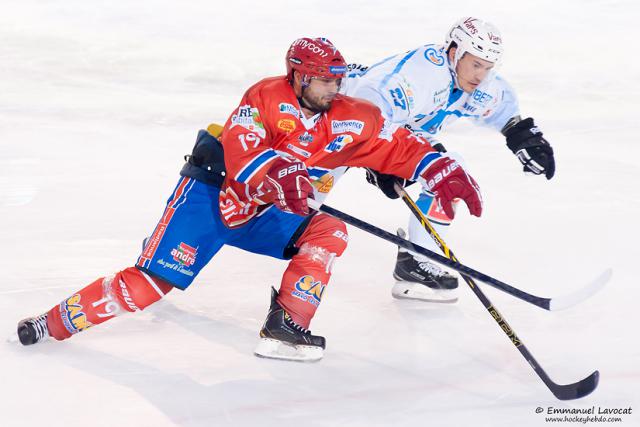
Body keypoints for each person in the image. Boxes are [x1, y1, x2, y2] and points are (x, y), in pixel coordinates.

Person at [16, 37, 482, 362]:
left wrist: (439, 168)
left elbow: (394, 146)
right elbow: (243, 149)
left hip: (266, 213)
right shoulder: (264, 96)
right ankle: (51, 322)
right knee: (149, 285)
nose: (333, 89)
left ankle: (286, 328)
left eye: (337, 80)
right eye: (323, 81)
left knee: (328, 232)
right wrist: (279, 172)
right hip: (210, 199)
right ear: (298, 77)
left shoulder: (349, 115)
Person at [341, 17, 556, 303]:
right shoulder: (422, 75)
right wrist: (379, 159)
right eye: (476, 65)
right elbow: (367, 108)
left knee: (450, 172)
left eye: (488, 67)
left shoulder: (476, 82)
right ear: (454, 53)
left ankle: (416, 262)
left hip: (396, 128)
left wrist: (522, 137)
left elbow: (500, 106)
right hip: (342, 120)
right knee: (301, 197)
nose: (481, 75)